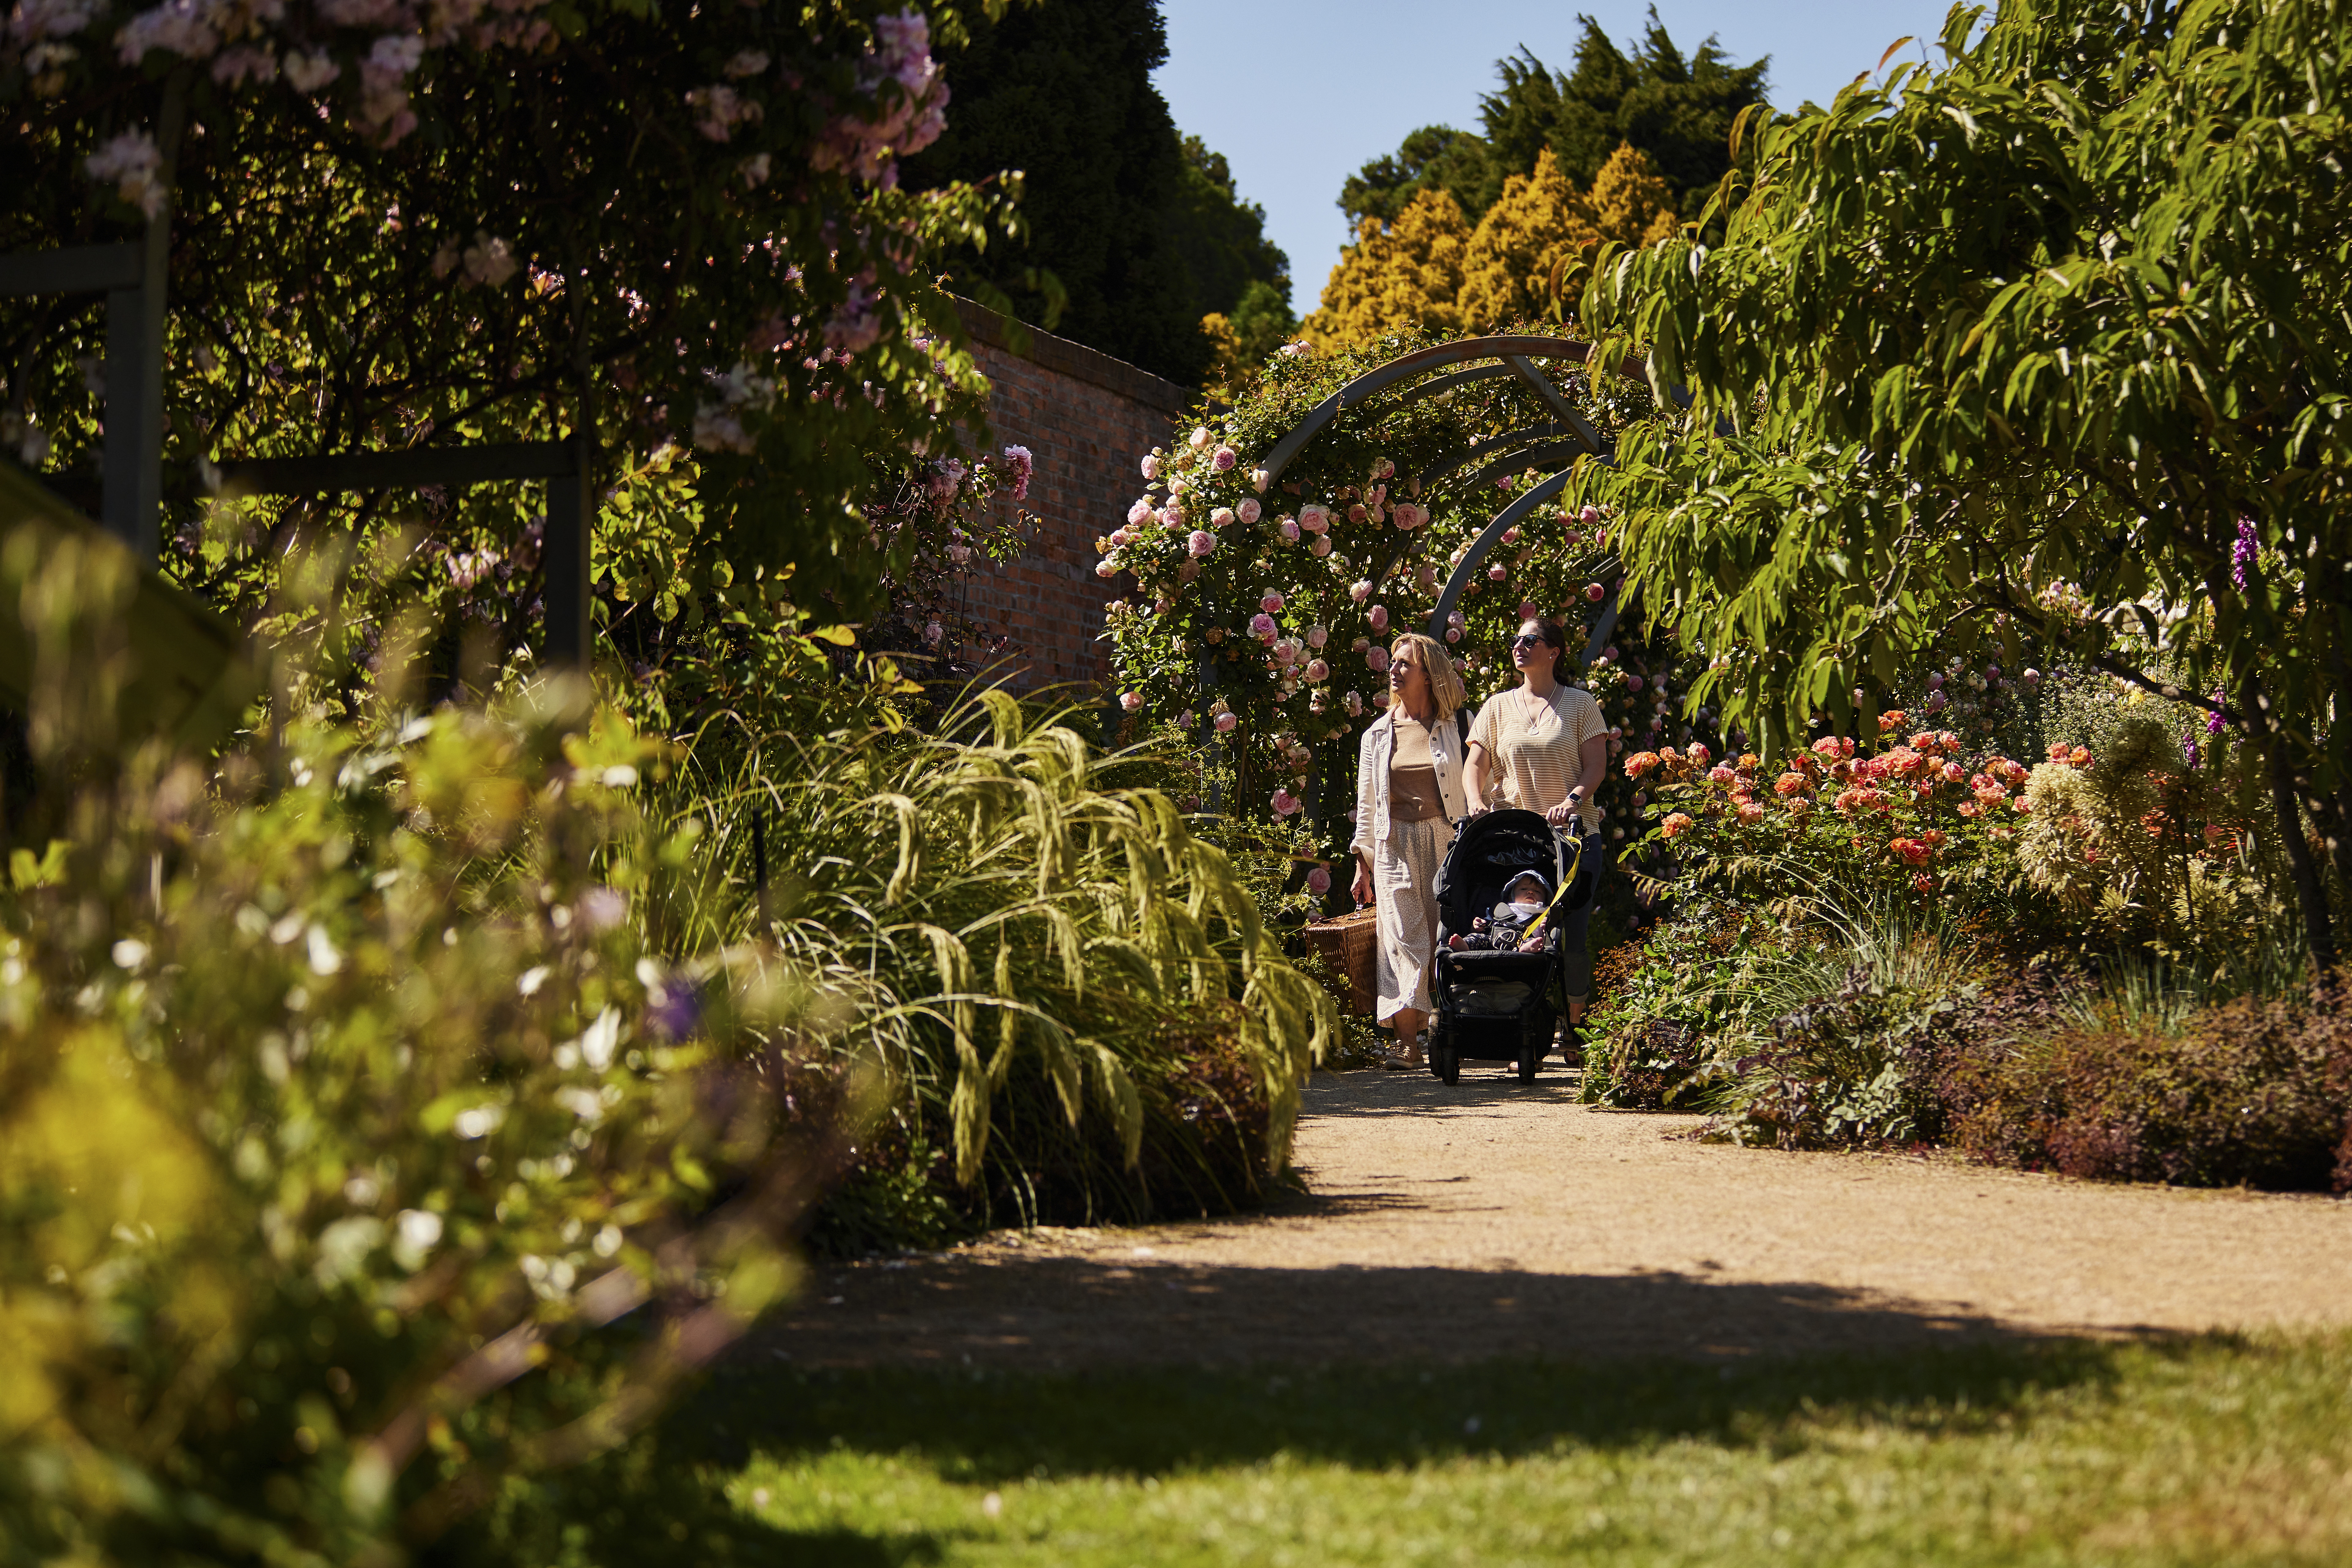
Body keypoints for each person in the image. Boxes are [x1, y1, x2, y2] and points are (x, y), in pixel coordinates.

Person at [1464, 616, 1610, 1034]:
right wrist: (1476, 803)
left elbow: (1595, 766)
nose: (1519, 646)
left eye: (1530, 640)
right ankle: (1522, 1022)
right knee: (1516, 931)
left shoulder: (1580, 704)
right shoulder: (1495, 707)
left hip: (1573, 839)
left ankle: (1574, 1028)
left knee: (1572, 939)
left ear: (1553, 651)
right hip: (1515, 843)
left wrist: (1572, 800)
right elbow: (1474, 765)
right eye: (1516, 639)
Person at [1349, 631, 1469, 1068]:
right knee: (1402, 937)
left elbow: (1478, 787)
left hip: (1447, 837)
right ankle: (1408, 1044)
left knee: (1447, 934)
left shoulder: (1457, 726)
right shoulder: (1377, 735)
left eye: (1405, 664)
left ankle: (1452, 1028)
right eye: (1393, 663)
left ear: (1429, 674)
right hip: (1393, 842)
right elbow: (1366, 805)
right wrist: (1362, 863)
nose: (1394, 670)